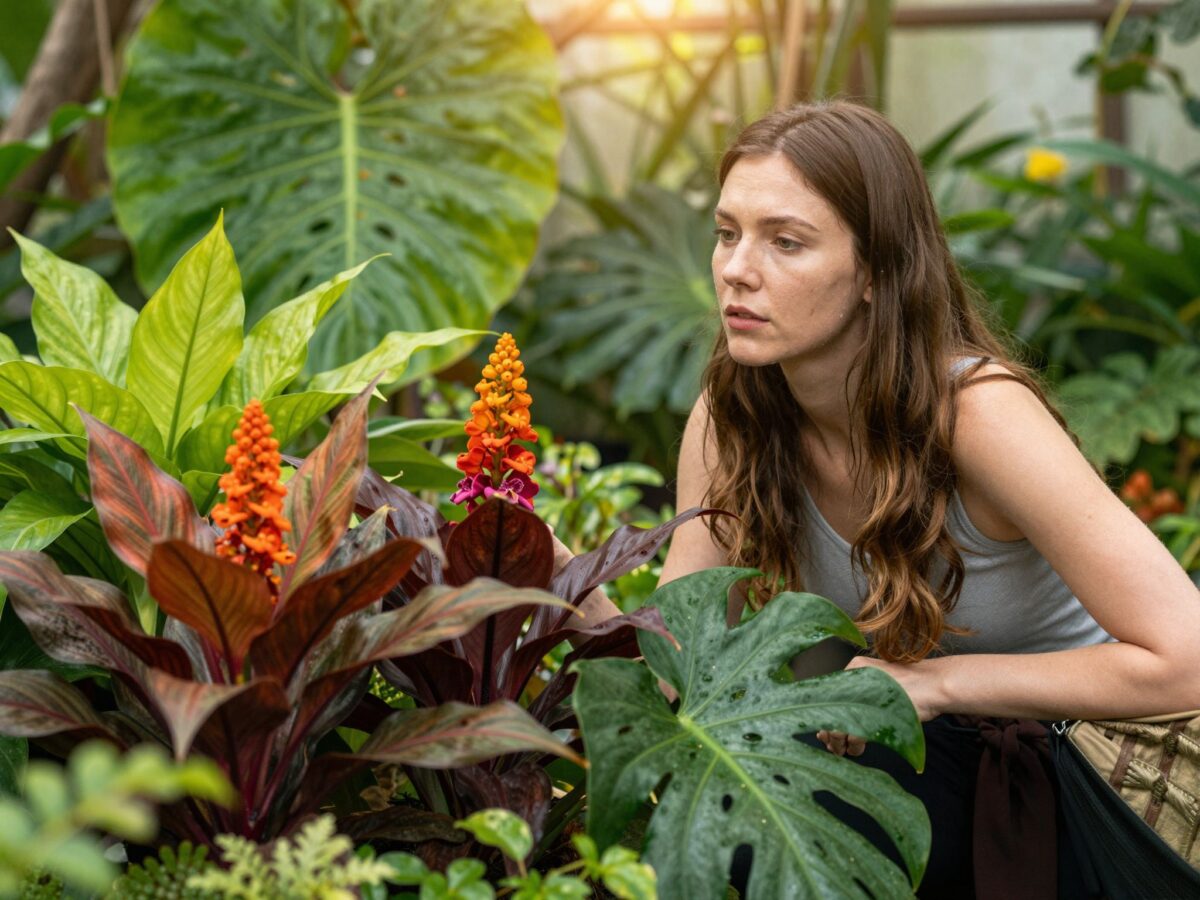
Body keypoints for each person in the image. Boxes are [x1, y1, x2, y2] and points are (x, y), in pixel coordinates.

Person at [569, 101, 1200, 898]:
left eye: (786, 241)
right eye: (728, 233)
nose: (736, 269)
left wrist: (935, 684)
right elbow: (676, 671)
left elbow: (1186, 660)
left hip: (1103, 784)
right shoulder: (733, 420)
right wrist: (554, 586)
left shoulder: (977, 415)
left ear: (876, 271)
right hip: (923, 769)